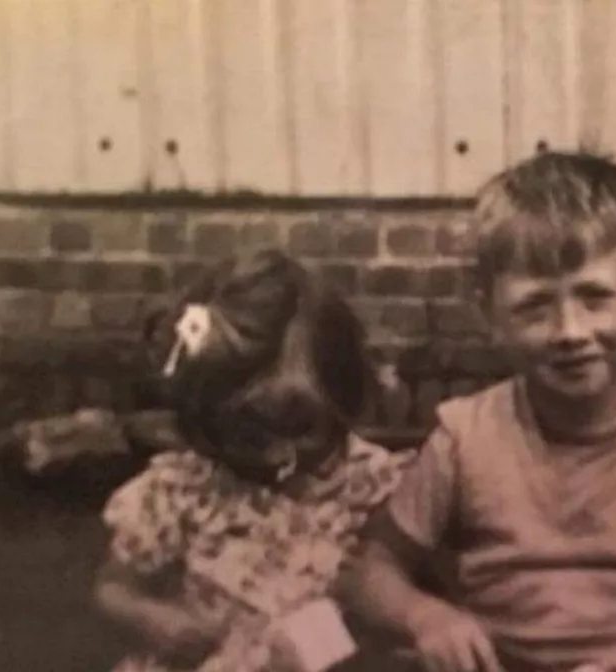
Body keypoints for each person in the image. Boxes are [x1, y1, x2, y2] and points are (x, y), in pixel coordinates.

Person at [335, 151, 616, 672]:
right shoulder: (467, 438)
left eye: (595, 298)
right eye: (535, 306)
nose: (570, 331)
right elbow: (370, 571)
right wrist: (426, 617)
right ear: (489, 313)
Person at [93, 249, 413, 672]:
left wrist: (316, 647)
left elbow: (389, 608)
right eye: (245, 433)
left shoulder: (372, 489)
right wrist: (154, 618)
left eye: (299, 426)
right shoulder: (185, 488)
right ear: (202, 415)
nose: (275, 452)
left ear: (343, 394)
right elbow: (115, 587)